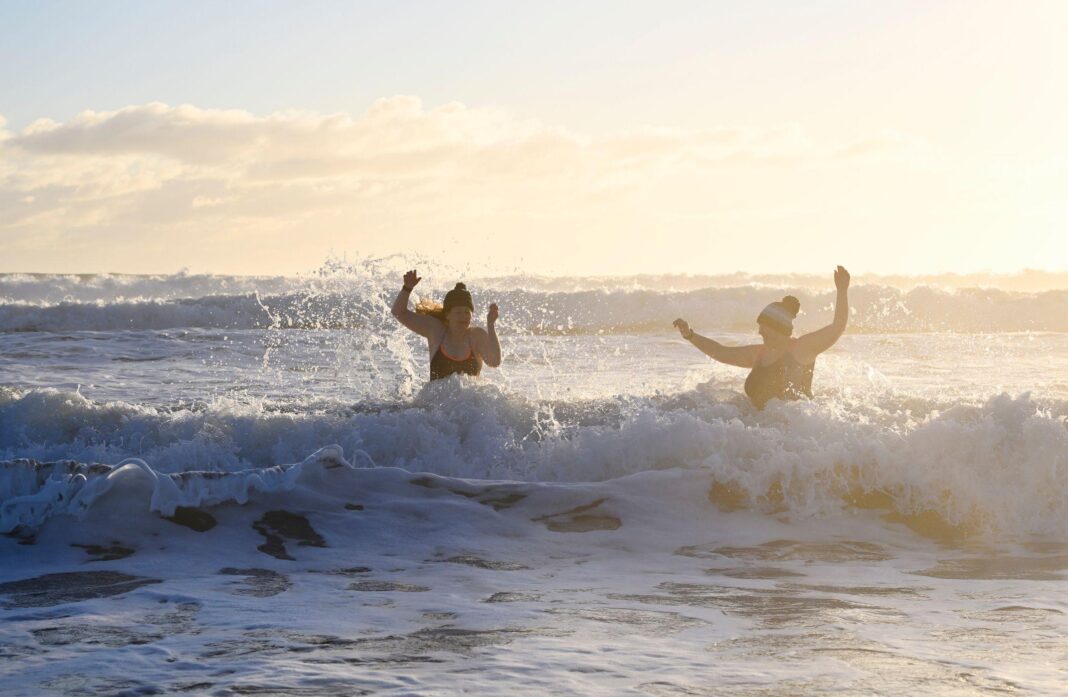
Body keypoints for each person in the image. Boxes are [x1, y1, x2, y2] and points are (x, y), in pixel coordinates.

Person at [673, 266, 850, 409]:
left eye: (764, 329)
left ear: (778, 329)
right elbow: (721, 352)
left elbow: (837, 328)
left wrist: (842, 291)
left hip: (794, 440)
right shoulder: (760, 354)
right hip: (761, 437)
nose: (760, 333)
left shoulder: (801, 350)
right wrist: (690, 335)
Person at [391, 269, 502, 380]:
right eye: (458, 312)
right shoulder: (436, 331)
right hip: (436, 397)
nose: (463, 317)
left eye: (467, 312)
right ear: (448, 315)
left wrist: (491, 325)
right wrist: (407, 288)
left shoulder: (476, 335)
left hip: (469, 398)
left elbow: (494, 361)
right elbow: (399, 313)